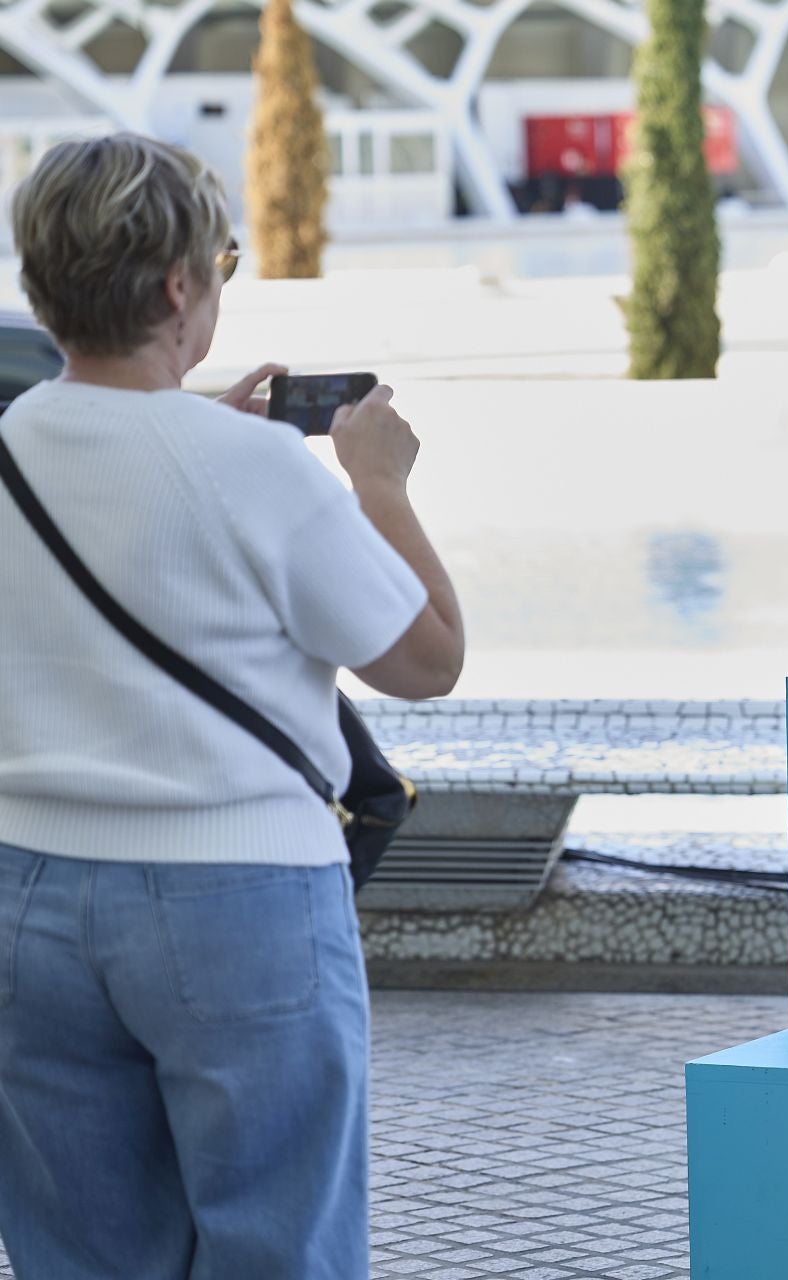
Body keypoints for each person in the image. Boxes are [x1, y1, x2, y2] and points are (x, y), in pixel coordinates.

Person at [0, 134, 463, 1277]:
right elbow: (424, 659)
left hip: (26, 893)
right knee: (278, 1245)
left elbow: (113, 466)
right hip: (236, 898)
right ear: (177, 288)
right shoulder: (256, 470)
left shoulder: (9, 443)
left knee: (81, 1254)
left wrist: (176, 415)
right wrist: (382, 487)